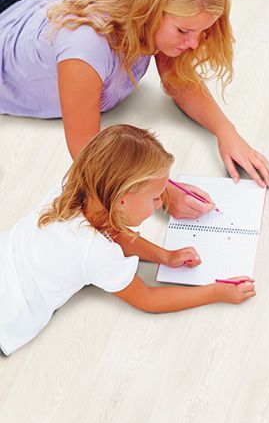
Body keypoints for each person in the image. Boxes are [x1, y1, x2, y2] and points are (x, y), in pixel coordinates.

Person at [0, 0, 269, 219]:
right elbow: (86, 152)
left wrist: (227, 132)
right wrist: (162, 192)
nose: (193, 43)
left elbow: (177, 80)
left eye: (201, 31)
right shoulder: (86, 48)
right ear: (151, 10)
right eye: (183, 31)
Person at [0, 124, 256, 356]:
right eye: (155, 197)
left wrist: (165, 256)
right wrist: (216, 292)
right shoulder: (96, 253)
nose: (160, 204)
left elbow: (113, 232)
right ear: (122, 200)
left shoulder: (72, 188)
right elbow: (149, 299)